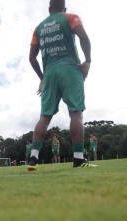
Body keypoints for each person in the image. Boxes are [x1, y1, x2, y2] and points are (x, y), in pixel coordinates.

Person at [27, 0, 92, 171]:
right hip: (70, 69)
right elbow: (84, 37)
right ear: (64, 8)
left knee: (44, 117)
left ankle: (33, 157)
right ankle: (78, 158)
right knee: (75, 113)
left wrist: (43, 77)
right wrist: (88, 61)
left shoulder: (38, 28)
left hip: (50, 73)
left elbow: (32, 58)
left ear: (49, 9)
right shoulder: (71, 17)